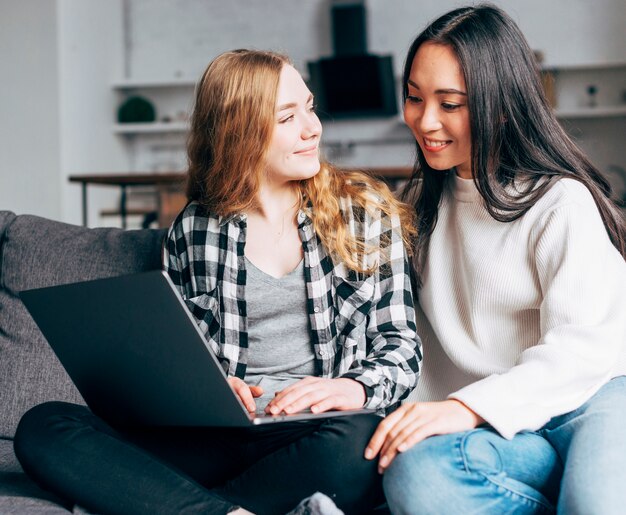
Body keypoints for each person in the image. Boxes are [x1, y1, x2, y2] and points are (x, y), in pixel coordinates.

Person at [13, 49, 420, 515]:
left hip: (316, 431)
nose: (313, 128)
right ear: (240, 132)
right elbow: (183, 356)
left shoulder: (367, 213)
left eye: (309, 107)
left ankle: (163, 501)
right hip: (217, 435)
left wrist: (356, 389)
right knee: (44, 426)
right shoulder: (195, 229)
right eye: (288, 117)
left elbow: (402, 343)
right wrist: (208, 389)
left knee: (361, 445)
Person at [363, 4, 626, 514]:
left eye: (451, 103)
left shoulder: (559, 201)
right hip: (502, 434)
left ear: (500, 106)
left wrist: (466, 406)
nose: (425, 120)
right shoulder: (416, 203)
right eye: (414, 98)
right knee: (418, 474)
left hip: (588, 400)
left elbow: (588, 350)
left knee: (597, 503)